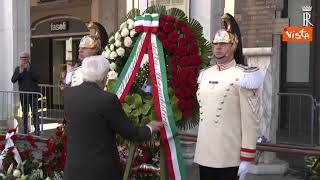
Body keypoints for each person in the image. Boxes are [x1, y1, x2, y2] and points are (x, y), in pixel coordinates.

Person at [63, 55, 163, 180]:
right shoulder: (107, 100)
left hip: (74, 169)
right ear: (104, 78)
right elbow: (129, 132)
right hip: (100, 172)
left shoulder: (69, 95)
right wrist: (150, 127)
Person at [194, 13, 264, 180]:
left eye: (223, 44)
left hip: (229, 156)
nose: (218, 47)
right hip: (205, 154)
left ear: (233, 45)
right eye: (215, 44)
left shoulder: (244, 76)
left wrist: (247, 156)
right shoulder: (204, 74)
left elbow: (250, 120)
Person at [64, 22, 108, 87]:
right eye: (79, 48)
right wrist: (69, 73)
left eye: (84, 48)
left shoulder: (105, 66)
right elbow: (67, 83)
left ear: (95, 49)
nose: (80, 51)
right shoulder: (75, 68)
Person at [11, 52, 40, 135]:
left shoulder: (33, 67)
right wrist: (19, 72)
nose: (23, 59)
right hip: (23, 95)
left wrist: (29, 70)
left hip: (33, 94)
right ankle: (25, 130)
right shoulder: (18, 68)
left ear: (28, 58)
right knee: (25, 113)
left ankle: (37, 130)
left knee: (35, 113)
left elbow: (37, 78)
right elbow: (13, 80)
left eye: (25, 58)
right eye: (22, 58)